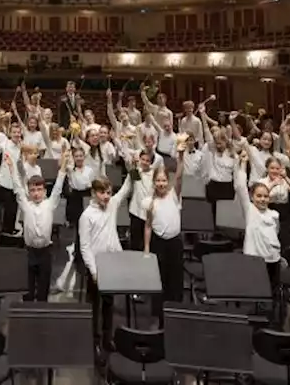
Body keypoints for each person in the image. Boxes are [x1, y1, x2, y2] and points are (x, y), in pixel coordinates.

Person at [79, 174, 133, 352]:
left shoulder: (112, 206)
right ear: (94, 193)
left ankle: (107, 338)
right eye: (102, 193)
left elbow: (125, 189)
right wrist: (94, 272)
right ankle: (94, 340)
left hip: (111, 264)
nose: (106, 196)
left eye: (109, 192)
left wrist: (133, 169)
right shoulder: (86, 216)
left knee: (109, 305)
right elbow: (85, 247)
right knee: (94, 306)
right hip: (95, 267)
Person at [14, 147, 69, 301]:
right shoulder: (26, 205)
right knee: (28, 289)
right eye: (33, 190)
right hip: (29, 252)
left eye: (39, 189)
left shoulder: (50, 204)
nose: (36, 193)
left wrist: (63, 166)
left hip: (45, 252)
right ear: (29, 193)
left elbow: (58, 187)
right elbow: (18, 187)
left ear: (45, 191)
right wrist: (12, 168)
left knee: (43, 290)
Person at [142, 149, 186, 322]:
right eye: (158, 180)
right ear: (154, 183)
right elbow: (147, 225)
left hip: (174, 243)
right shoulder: (150, 202)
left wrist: (181, 157)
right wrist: (146, 248)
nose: (161, 183)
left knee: (175, 278)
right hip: (158, 243)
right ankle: (159, 314)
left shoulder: (174, 196)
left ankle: (175, 312)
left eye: (164, 180)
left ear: (168, 182)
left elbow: (180, 176)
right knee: (160, 278)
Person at [235, 156, 282, 301]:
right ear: (252, 197)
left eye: (266, 196)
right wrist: (243, 163)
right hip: (255, 260)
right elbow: (240, 186)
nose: (262, 199)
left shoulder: (275, 214)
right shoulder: (250, 211)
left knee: (272, 294)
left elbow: (276, 233)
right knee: (255, 294)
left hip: (273, 260)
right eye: (259, 196)